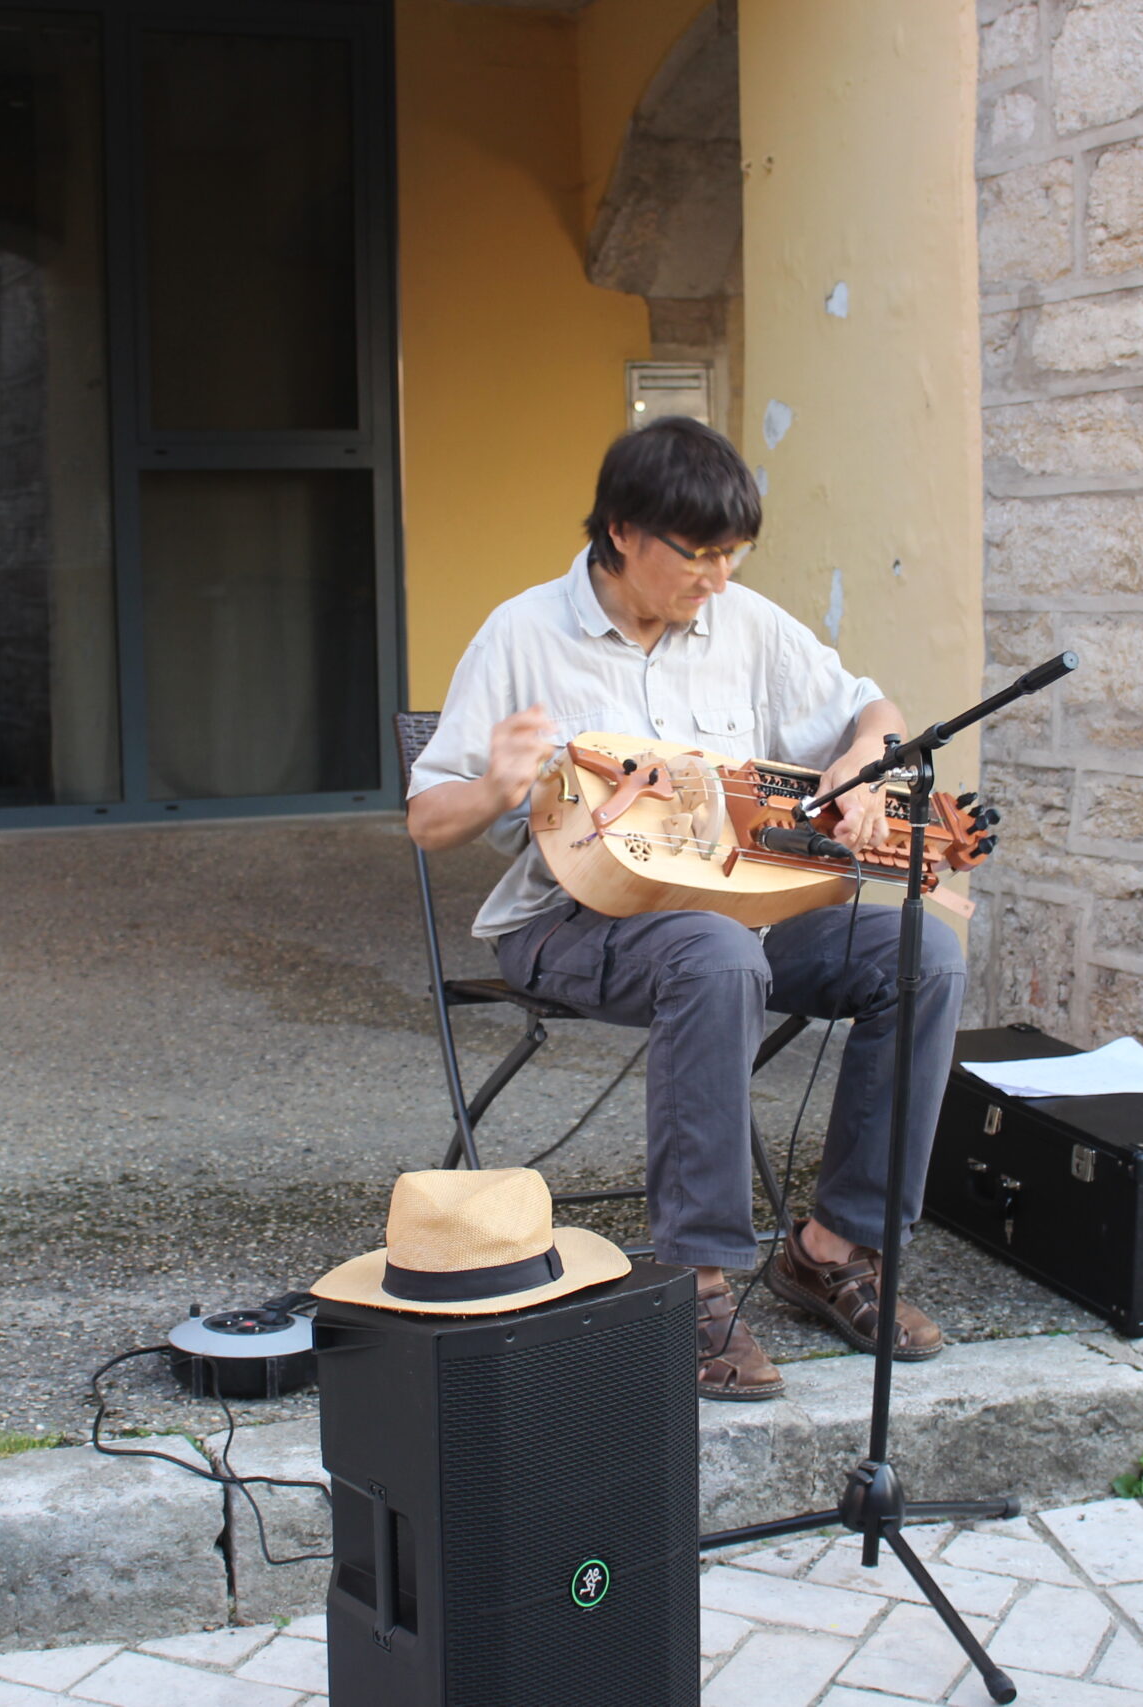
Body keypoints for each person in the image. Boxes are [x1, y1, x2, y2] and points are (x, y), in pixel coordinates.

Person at [405, 417, 966, 1402]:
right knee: (713, 959)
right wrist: (494, 789)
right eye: (698, 556)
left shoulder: (743, 624)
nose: (717, 579)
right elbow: (425, 819)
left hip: (735, 916)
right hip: (569, 925)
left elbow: (872, 709)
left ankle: (831, 1250)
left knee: (918, 949)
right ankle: (696, 1282)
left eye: (734, 555)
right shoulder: (523, 633)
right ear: (622, 532)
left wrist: (860, 762)